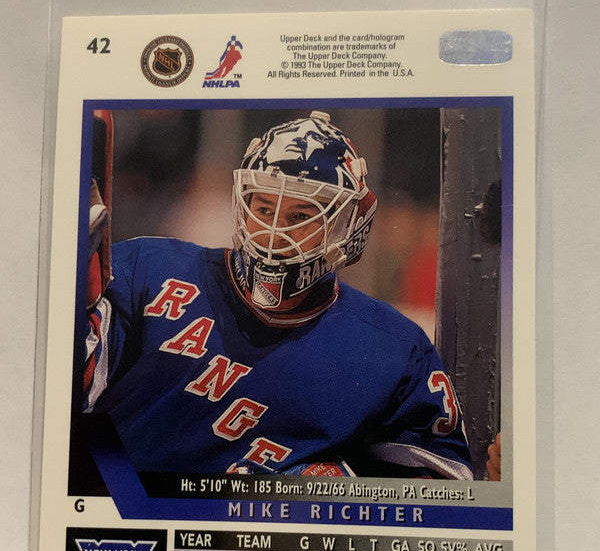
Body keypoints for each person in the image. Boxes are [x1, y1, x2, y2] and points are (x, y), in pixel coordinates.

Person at [83, 110, 472, 479]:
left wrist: (329, 485)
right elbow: (71, 391)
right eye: (264, 208)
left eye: (300, 216)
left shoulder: (394, 348)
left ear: (345, 225)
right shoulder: (150, 269)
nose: (273, 233)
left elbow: (441, 483)